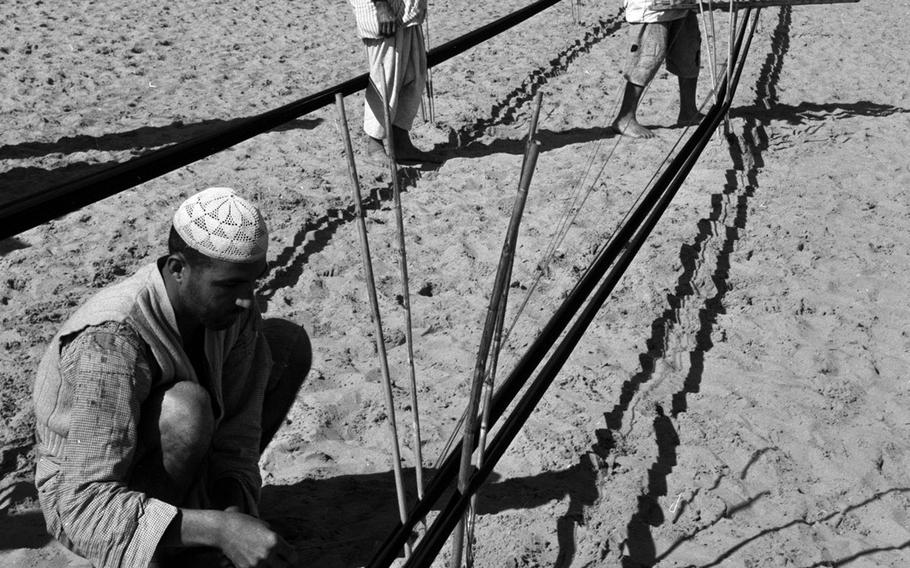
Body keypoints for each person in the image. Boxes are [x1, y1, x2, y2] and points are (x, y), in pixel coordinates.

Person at [32, 187, 310, 568]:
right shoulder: (109, 341)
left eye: (253, 281)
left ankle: (193, 525)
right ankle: (167, 547)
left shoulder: (236, 312)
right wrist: (220, 531)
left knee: (287, 346)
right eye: (230, 285)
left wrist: (236, 513)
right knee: (187, 410)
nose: (247, 299)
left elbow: (237, 439)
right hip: (84, 505)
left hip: (185, 465)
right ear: (178, 269)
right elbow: (85, 506)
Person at [349, 0, 441, 164]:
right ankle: (374, 145)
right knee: (385, 78)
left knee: (413, 73)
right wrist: (382, 7)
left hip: (406, 13)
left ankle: (401, 142)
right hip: (383, 11)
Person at [611, 0, 704, 138]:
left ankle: (688, 111)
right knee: (647, 58)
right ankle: (626, 118)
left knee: (688, 51)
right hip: (652, 8)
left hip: (683, 4)